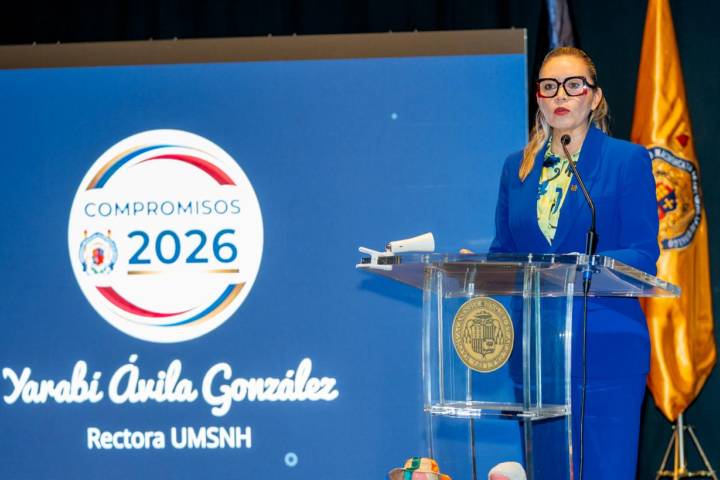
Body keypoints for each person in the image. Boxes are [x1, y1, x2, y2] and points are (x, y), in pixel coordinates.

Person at [489, 46, 659, 479]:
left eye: (573, 85)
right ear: (539, 97)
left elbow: (643, 254)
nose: (560, 94)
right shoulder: (516, 169)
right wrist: (481, 265)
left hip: (606, 350)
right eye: (549, 86)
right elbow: (504, 252)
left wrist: (579, 265)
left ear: (594, 97)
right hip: (537, 355)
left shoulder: (627, 160)